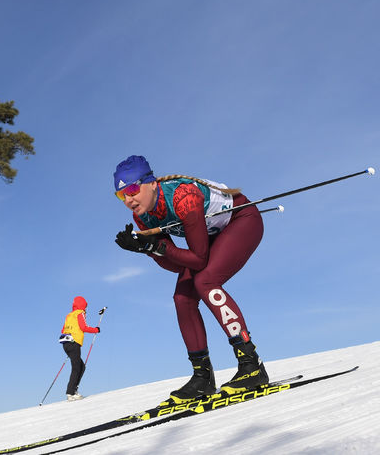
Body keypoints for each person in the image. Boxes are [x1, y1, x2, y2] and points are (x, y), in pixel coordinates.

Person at [112, 155, 267, 403]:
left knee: (204, 281)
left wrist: (156, 247)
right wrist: (148, 249)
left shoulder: (183, 197)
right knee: (182, 297)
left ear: (151, 183)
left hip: (241, 221)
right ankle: (202, 377)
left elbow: (197, 260)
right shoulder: (142, 216)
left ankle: (251, 364)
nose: (129, 199)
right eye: (121, 195)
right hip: (212, 236)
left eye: (132, 189)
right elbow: (175, 265)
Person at [59, 296, 101, 401]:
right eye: (85, 306)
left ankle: (73, 390)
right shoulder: (80, 313)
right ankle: (71, 392)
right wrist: (96, 330)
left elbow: (63, 329)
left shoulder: (69, 315)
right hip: (74, 343)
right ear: (82, 305)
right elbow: (83, 327)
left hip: (66, 343)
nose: (86, 309)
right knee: (77, 368)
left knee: (81, 366)